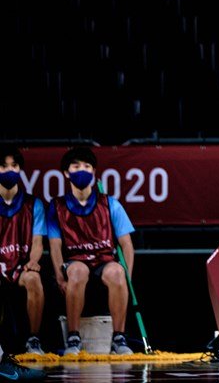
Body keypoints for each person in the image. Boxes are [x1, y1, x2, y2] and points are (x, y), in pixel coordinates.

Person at [47, 146, 135, 356]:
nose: (82, 170)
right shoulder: (56, 206)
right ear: (66, 173)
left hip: (104, 260)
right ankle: (73, 338)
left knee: (116, 272)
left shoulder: (110, 204)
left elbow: (127, 245)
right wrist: (60, 276)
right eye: (76, 166)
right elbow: (55, 245)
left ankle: (119, 338)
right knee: (78, 272)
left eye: (87, 166)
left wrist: (126, 276)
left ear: (94, 172)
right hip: (75, 260)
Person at [0, 147, 47, 356]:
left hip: (20, 265)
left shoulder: (33, 204)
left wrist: (34, 261)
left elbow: (38, 241)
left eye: (14, 166)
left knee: (34, 279)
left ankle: (33, 340)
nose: (10, 170)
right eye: (3, 166)